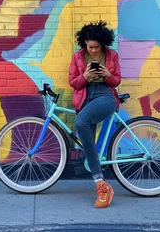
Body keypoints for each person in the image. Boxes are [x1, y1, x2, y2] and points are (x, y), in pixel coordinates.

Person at [69, 20, 121, 208]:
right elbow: (73, 83)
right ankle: (101, 183)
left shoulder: (112, 55)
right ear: (84, 43)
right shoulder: (78, 57)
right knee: (87, 146)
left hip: (105, 96)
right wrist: (84, 77)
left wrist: (107, 74)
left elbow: (116, 82)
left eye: (96, 47)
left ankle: (102, 186)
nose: (92, 51)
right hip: (85, 97)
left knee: (81, 121)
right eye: (89, 47)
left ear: (103, 44)